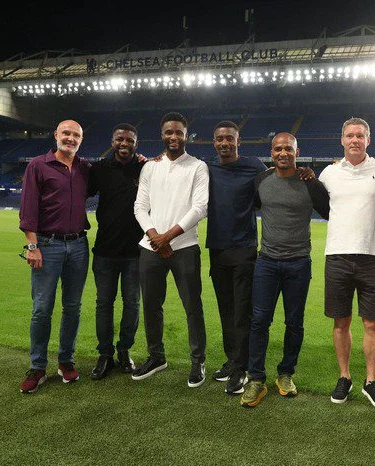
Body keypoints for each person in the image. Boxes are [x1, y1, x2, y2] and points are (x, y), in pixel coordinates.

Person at [240, 133, 330, 407]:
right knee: (259, 321)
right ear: (272, 151)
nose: (283, 153)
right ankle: (256, 378)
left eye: (288, 149)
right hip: (266, 262)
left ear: (296, 151)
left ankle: (286, 374)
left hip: (298, 263)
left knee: (294, 323)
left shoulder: (310, 184)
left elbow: (333, 213)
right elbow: (252, 205)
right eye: (278, 148)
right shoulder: (262, 180)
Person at [318, 117, 375, 410]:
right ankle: (345, 376)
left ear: (368, 140)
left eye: (360, 135)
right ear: (342, 139)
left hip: (372, 256)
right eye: (350, 135)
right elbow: (321, 205)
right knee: (341, 321)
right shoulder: (329, 173)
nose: (355, 140)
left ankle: (371, 381)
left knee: (372, 323)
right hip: (337, 255)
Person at [132, 112, 209, 387]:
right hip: (150, 247)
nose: (173, 137)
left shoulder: (198, 167)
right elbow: (140, 207)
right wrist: (155, 237)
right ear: (162, 135)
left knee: (192, 306)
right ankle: (156, 357)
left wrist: (168, 237)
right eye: (168, 132)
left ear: (186, 135)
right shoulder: (150, 167)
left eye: (178, 132)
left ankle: (198, 360)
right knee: (151, 305)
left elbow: (200, 208)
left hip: (185, 247)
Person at [18, 119, 90, 394]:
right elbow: (28, 209)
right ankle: (37, 366)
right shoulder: (38, 165)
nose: (71, 139)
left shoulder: (85, 168)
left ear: (81, 140)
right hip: (47, 245)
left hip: (79, 245)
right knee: (41, 308)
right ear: (56, 135)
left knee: (73, 307)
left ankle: (65, 361)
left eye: (76, 135)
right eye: (67, 133)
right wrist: (32, 246)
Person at [205, 121, 267, 395]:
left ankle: (242, 369)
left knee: (242, 312)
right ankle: (232, 361)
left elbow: (273, 189)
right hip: (217, 249)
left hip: (244, 250)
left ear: (238, 141)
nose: (225, 143)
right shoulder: (206, 169)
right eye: (220, 139)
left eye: (229, 138)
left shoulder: (254, 166)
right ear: (214, 142)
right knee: (226, 310)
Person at [87, 123, 146, 380]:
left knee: (132, 303)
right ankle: (105, 354)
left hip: (136, 252)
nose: (124, 143)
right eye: (119, 139)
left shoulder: (145, 168)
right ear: (112, 141)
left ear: (136, 143)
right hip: (105, 251)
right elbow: (78, 193)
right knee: (104, 304)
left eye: (129, 140)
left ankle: (124, 351)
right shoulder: (99, 169)